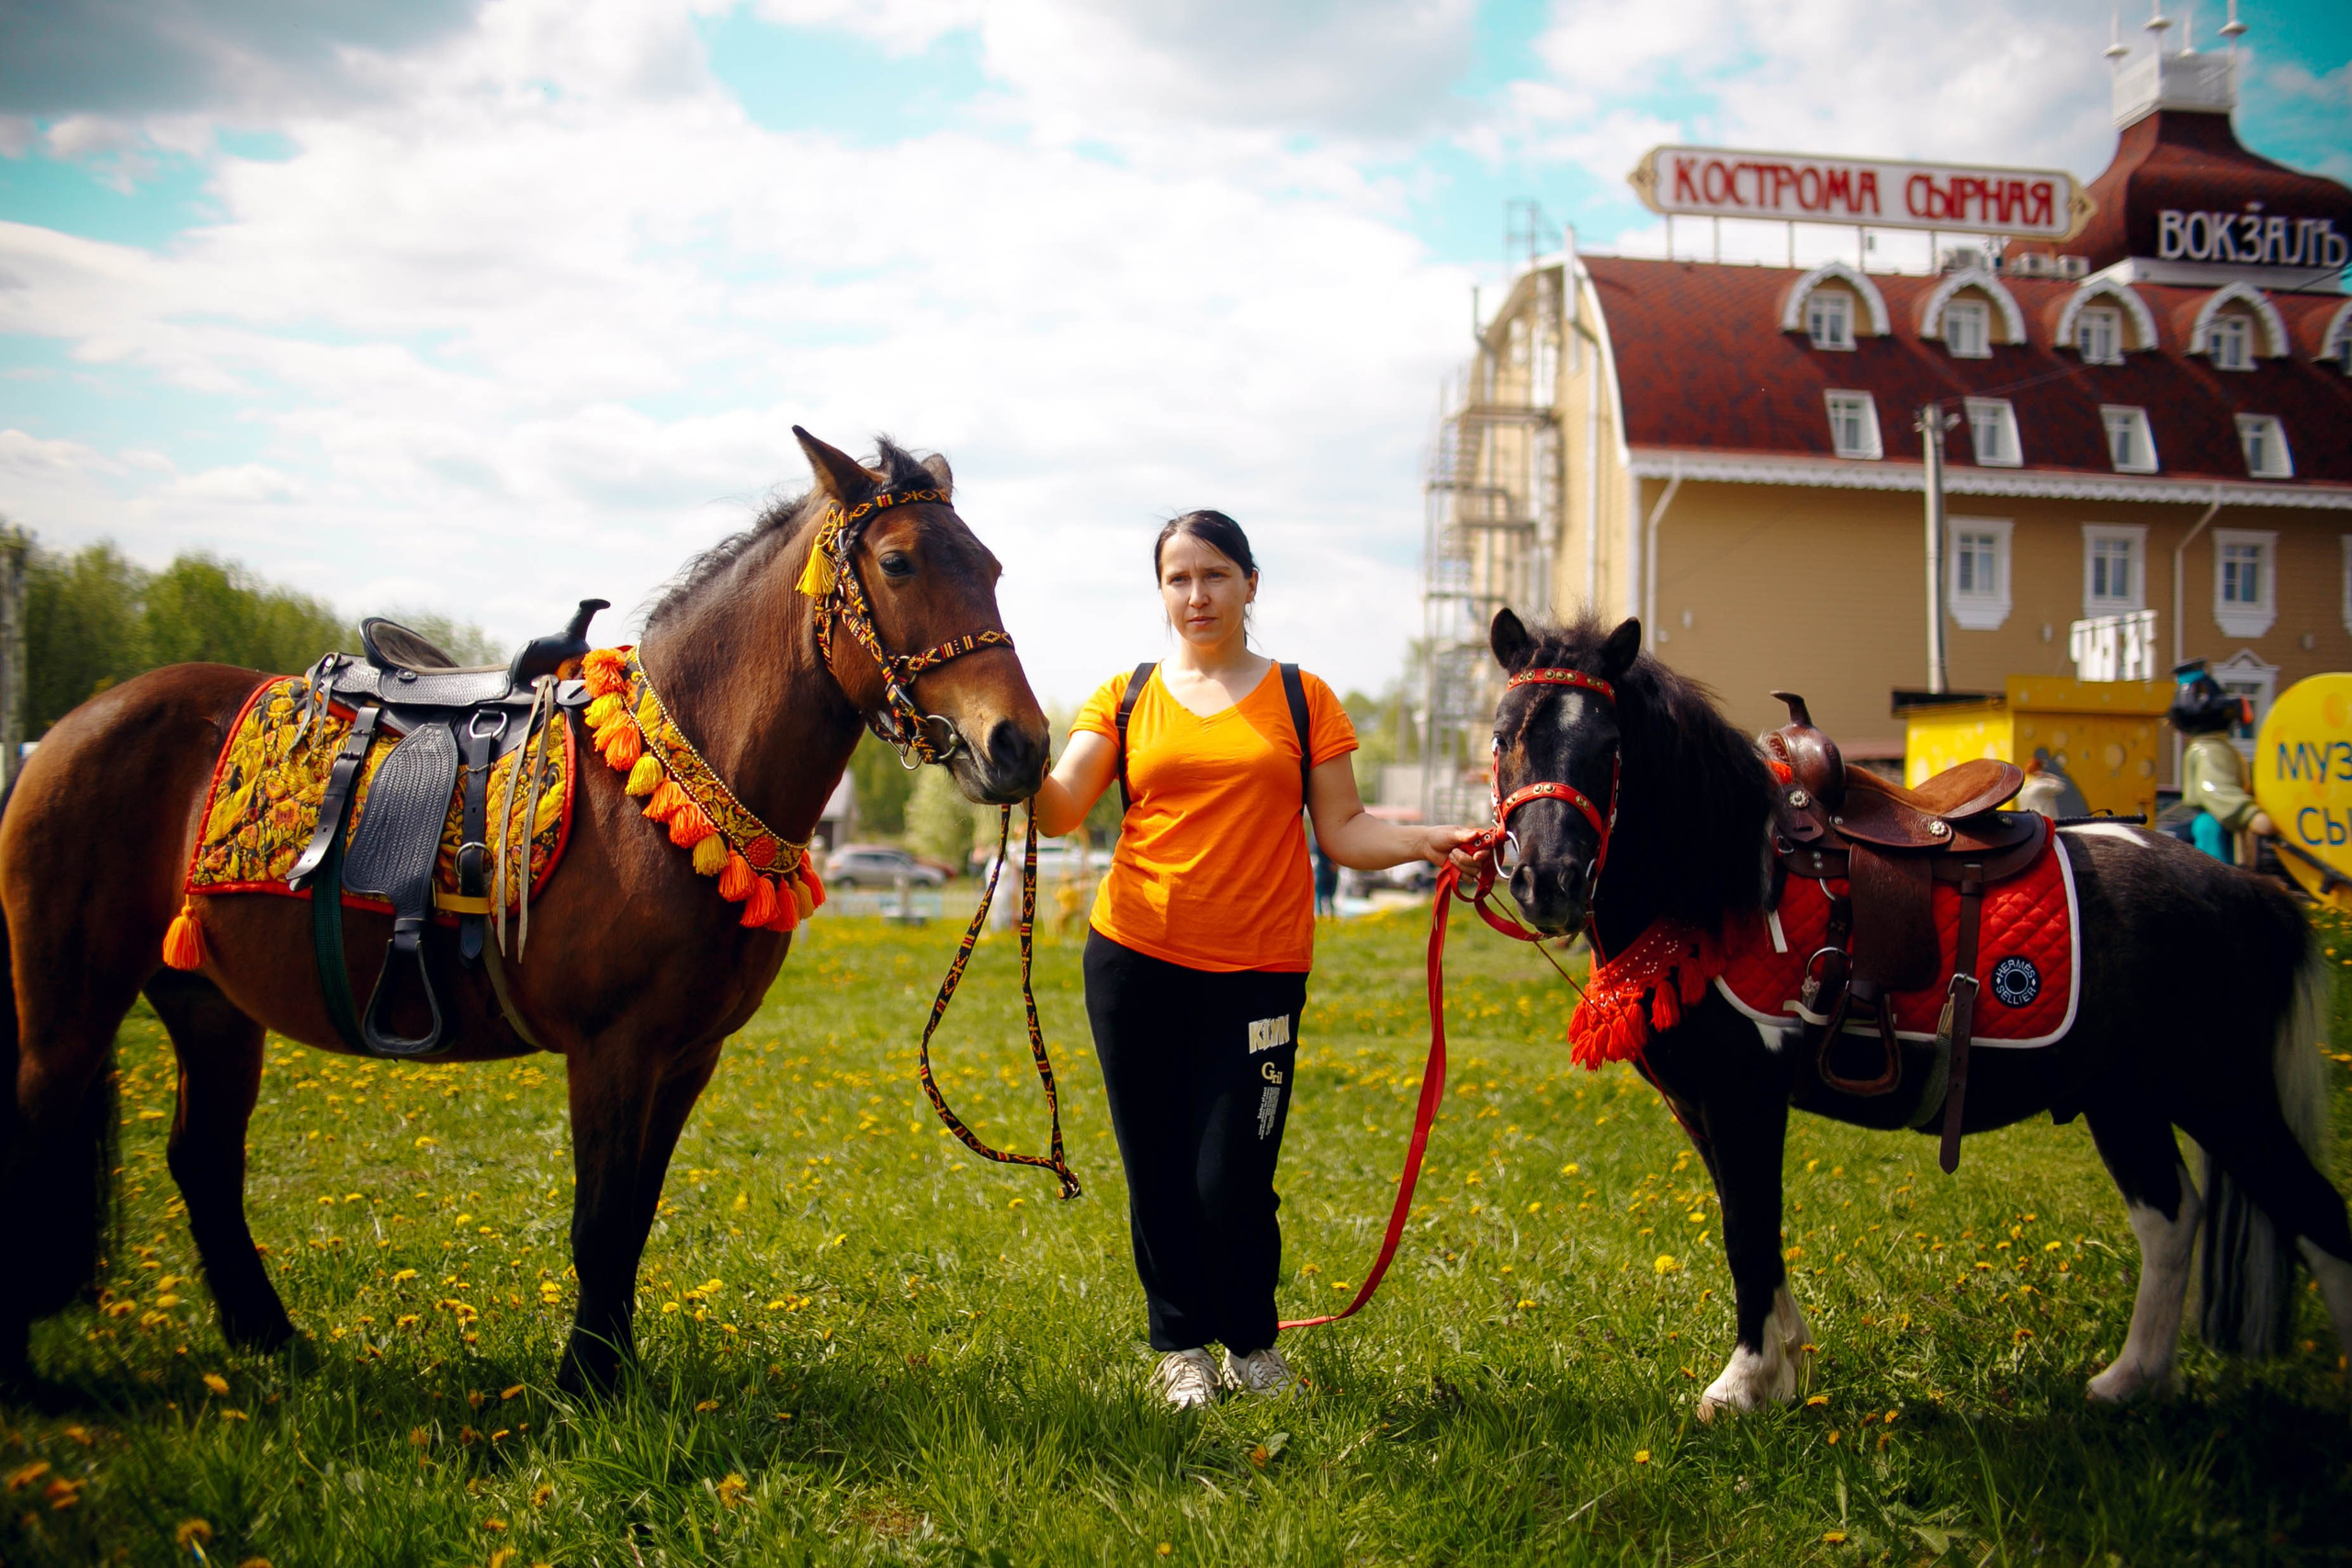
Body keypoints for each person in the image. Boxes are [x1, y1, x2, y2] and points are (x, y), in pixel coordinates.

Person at [1030, 510, 1479, 1410]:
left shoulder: (1301, 697)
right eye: (1177, 579)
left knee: (1235, 1175)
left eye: (1214, 576)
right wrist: (988, 756)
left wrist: (1434, 838)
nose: (1195, 596)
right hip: (1135, 960)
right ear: (1161, 592)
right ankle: (1182, 1350)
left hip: (1260, 972)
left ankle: (1253, 1346)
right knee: (1155, 1167)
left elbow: (1344, 832)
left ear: (1249, 584)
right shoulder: (1124, 695)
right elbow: (1056, 808)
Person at [2166, 659, 2274, 863]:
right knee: (2217, 876)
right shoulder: (2210, 750)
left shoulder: (2218, 747)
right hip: (2217, 825)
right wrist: (2249, 815)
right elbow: (2215, 790)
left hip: (2223, 825)